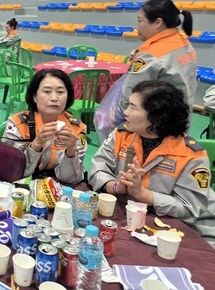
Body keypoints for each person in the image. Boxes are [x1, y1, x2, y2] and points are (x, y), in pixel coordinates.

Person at [89, 80, 215, 246]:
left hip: (179, 231)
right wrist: (115, 186)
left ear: (156, 117)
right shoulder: (122, 135)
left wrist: (145, 195)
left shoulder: (191, 155)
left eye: (133, 107)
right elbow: (97, 168)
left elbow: (190, 209)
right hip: (135, 222)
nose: (125, 112)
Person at [3, 68, 87, 184]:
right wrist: (36, 144)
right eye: (47, 91)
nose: (54, 98)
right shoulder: (18, 124)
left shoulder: (77, 128)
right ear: (35, 97)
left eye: (60, 92)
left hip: (59, 187)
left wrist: (71, 150)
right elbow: (10, 170)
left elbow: (71, 179)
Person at [120, 0, 196, 116]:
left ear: (158, 22)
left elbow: (129, 98)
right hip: (180, 117)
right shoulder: (184, 43)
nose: (137, 27)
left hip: (152, 126)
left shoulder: (150, 56)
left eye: (140, 21)